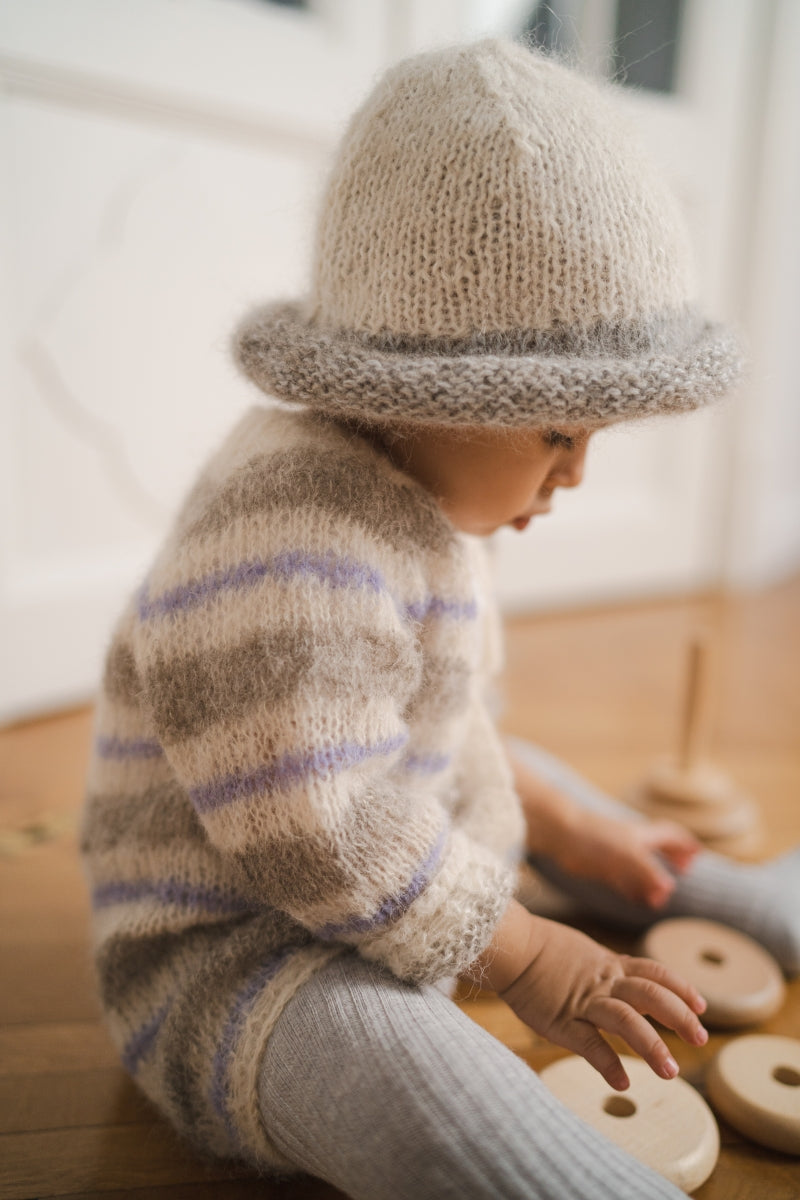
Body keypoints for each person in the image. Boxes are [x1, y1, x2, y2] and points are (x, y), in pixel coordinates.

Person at [81, 40, 798, 1200]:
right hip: (245, 961)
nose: (572, 476)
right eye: (557, 433)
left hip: (381, 874)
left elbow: (441, 734)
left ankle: (747, 898)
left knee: (553, 792)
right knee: (408, 1072)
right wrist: (530, 958)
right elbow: (318, 816)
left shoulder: (408, 493)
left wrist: (564, 828)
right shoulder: (287, 533)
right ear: (425, 398)